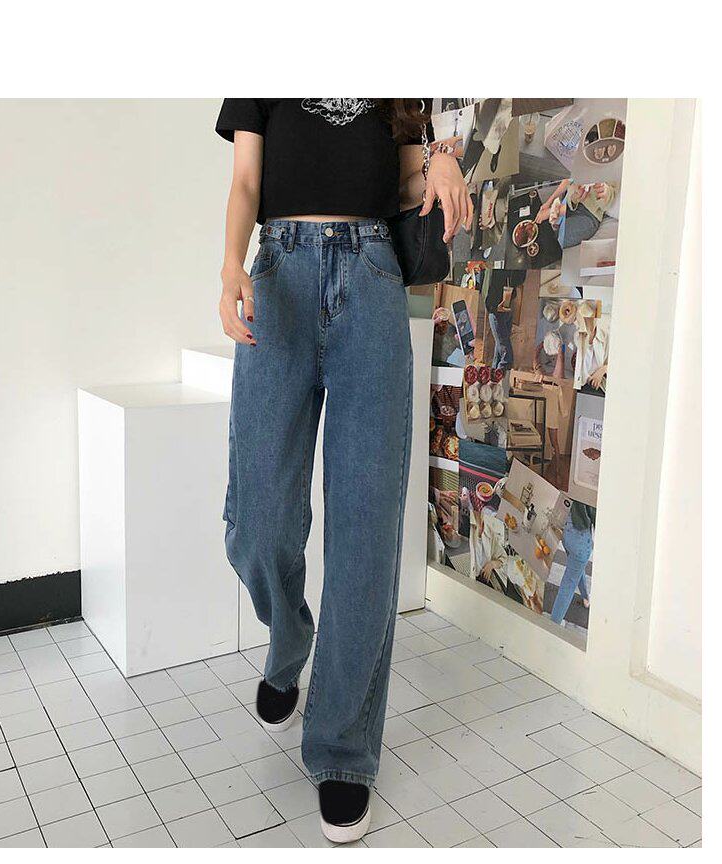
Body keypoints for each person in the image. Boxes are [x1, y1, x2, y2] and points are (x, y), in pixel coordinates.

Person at [216, 99, 472, 843]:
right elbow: (245, 182)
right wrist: (231, 264)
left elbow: (405, 186)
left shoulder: (399, 83)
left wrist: (441, 160)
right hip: (280, 276)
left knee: (366, 532)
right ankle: (290, 638)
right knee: (258, 523)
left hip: (372, 282)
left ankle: (342, 749)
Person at [535, 179, 617, 248]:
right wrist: (548, 202)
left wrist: (552, 211)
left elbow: (608, 199)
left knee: (550, 240)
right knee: (538, 222)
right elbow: (568, 181)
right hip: (570, 202)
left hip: (588, 216)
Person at [550, 501, 594, 624]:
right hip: (580, 538)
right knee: (568, 585)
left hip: (566, 531)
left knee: (575, 568)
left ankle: (585, 596)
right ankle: (553, 625)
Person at [484, 269, 525, 370]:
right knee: (504, 352)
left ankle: (495, 372)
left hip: (506, 309)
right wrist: (493, 307)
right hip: (498, 311)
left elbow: (519, 281)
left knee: (500, 348)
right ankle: (500, 373)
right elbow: (488, 289)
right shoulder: (496, 270)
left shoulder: (513, 270)